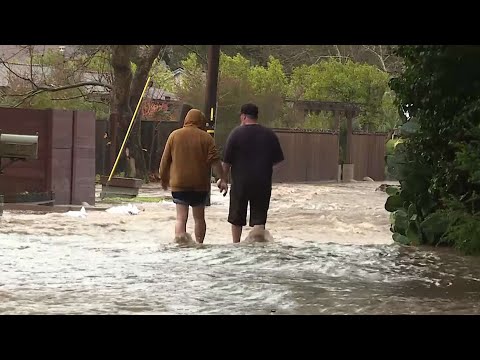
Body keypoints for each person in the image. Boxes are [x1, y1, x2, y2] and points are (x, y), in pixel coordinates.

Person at [159, 108, 228, 244]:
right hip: (200, 185)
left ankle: (180, 244)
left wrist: (164, 178)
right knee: (199, 218)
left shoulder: (174, 135)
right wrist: (223, 178)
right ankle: (200, 244)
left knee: (181, 218)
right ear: (200, 121)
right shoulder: (207, 138)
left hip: (179, 184)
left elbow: (165, 160)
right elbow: (215, 162)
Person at [221, 103, 284, 243]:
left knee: (237, 219)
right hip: (262, 183)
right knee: (259, 220)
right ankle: (258, 247)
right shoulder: (269, 135)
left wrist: (223, 179)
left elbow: (226, 162)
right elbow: (278, 162)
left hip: (240, 184)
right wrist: (268, 174)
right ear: (256, 116)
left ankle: (236, 245)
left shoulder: (235, 134)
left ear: (243, 117)